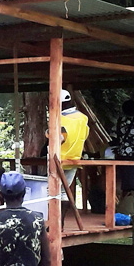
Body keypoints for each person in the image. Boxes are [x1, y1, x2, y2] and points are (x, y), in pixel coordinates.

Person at [57, 90, 89, 221]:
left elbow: (59, 138)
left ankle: (53, 223)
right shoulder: (83, 118)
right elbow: (85, 136)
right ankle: (61, 223)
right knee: (64, 192)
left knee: (50, 192)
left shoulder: (61, 119)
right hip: (75, 159)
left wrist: (48, 133)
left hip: (59, 159)